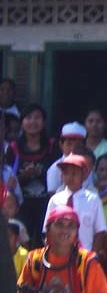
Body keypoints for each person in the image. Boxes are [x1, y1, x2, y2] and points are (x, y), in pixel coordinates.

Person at [43, 154, 107, 264]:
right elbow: (47, 231)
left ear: (84, 175)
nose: (70, 177)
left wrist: (92, 256)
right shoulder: (55, 199)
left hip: (85, 256)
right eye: (66, 173)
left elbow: (100, 231)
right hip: (59, 256)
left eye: (74, 173)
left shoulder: (93, 199)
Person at [13, 104, 57, 246]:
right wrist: (23, 177)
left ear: (43, 122)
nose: (33, 122)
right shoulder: (13, 148)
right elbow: (9, 179)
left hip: (46, 203)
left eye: (37, 118)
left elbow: (59, 173)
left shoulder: (52, 146)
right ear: (22, 122)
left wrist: (41, 173)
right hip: (21, 205)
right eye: (28, 118)